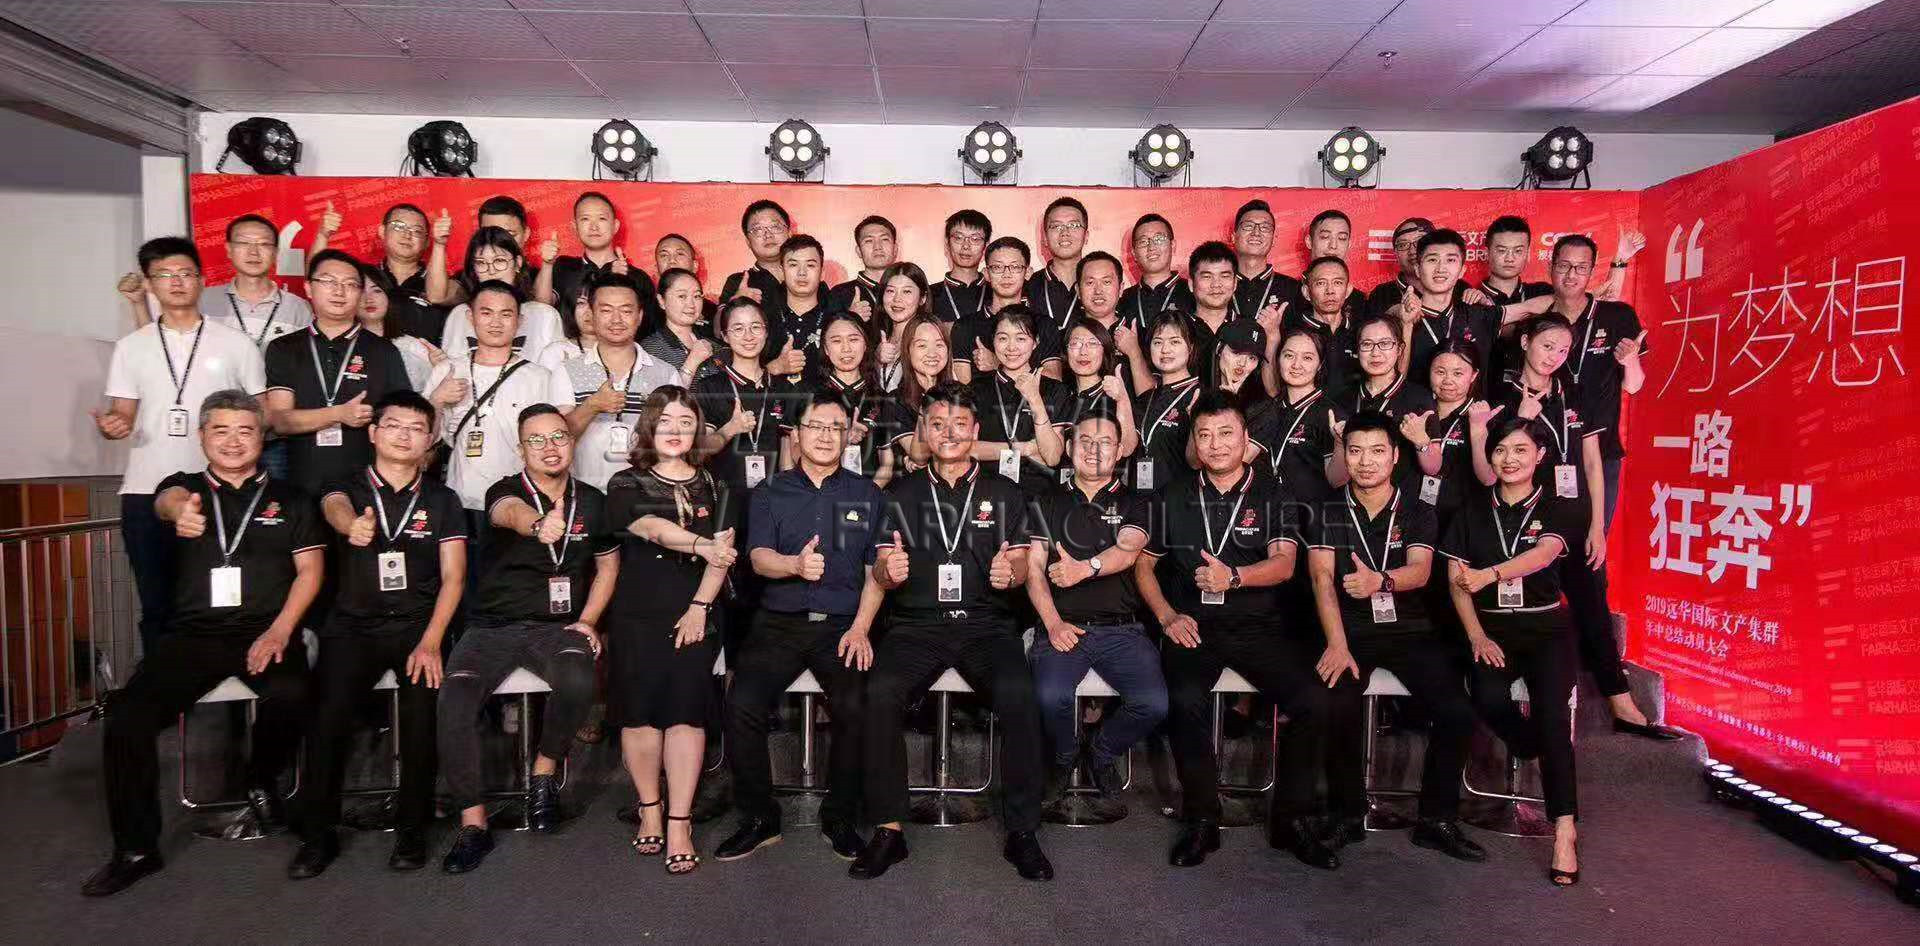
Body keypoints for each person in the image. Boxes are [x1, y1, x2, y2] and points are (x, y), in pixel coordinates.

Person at [82, 390, 323, 897]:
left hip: (267, 631)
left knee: (296, 695)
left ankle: (260, 776)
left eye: (245, 430)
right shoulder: (184, 488)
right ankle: (135, 850)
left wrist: (281, 629)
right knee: (128, 717)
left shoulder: (293, 498)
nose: (233, 441)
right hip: (194, 635)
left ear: (262, 437)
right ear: (202, 436)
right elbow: (165, 502)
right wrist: (179, 514)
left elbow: (309, 571)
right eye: (221, 430)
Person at [854, 382, 1052, 882]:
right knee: (879, 692)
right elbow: (879, 569)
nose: (948, 434)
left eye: (959, 425)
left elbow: (1024, 563)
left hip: (986, 625)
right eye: (937, 424)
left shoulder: (1005, 493)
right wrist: (888, 572)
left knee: (1019, 694)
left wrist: (1013, 572)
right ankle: (889, 830)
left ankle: (1023, 831)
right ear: (923, 430)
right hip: (916, 626)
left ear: (975, 430)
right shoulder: (899, 494)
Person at [1135, 390, 1335, 870]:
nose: (1216, 444)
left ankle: (1291, 820)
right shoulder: (1174, 495)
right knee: (1184, 700)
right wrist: (1166, 616)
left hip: (1257, 624)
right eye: (1204, 435)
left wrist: (1235, 577)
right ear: (1194, 442)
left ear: (1246, 439)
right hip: (1194, 625)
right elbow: (1143, 565)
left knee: (1312, 701)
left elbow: (1285, 564)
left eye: (1226, 433)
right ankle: (1202, 819)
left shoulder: (1273, 493)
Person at [290, 390, 467, 878]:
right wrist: (351, 526)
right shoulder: (345, 486)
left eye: (416, 429)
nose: (404, 436)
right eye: (394, 425)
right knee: (326, 720)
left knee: (421, 722)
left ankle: (412, 830)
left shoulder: (442, 499)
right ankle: (317, 835)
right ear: (372, 432)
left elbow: (454, 578)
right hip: (352, 627)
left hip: (417, 627)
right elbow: (333, 506)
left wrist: (432, 641)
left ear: (429, 440)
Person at [438, 404, 619, 873]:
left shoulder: (594, 501)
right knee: (455, 701)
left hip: (557, 628)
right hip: (492, 627)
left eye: (558, 436)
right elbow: (507, 514)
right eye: (536, 440)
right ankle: (473, 824)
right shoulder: (503, 490)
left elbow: (607, 568)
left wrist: (589, 621)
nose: (549, 447)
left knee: (579, 679)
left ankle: (544, 771)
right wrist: (537, 525)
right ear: (521, 450)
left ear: (572, 442)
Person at [1308, 411, 1484, 862]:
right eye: (1355, 451)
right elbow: (1322, 579)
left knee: (1456, 710)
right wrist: (1337, 643)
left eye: (1376, 451)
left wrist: (1380, 582)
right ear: (1345, 455)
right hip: (1350, 629)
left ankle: (1436, 820)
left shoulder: (1417, 509)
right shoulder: (1327, 510)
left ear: (1394, 457)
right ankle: (1347, 814)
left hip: (1409, 629)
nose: (1365, 461)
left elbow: (1421, 572)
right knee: (1336, 700)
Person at [1486, 313, 1673, 739]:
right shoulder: (1501, 393)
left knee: (1591, 595)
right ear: (1525, 342)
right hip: (1521, 517)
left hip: (1571, 512)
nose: (1553, 356)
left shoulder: (1575, 392)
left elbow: (1591, 461)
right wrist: (1522, 416)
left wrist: (1595, 526)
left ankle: (1620, 700)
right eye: (1546, 346)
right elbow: (1495, 465)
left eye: (1563, 350)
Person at [718, 394, 884, 863]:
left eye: (836, 427)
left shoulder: (867, 494)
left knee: (855, 705)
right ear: (796, 435)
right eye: (816, 426)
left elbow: (875, 570)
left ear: (848, 436)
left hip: (842, 625)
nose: (826, 436)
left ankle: (840, 817)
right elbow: (758, 558)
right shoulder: (769, 492)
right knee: (742, 704)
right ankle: (759, 818)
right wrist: (794, 564)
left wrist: (861, 628)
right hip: (779, 622)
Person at [98, 237, 267, 653]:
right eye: (164, 275)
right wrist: (113, 426)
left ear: (202, 280)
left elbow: (261, 414)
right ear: (149, 284)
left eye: (185, 273)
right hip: (145, 488)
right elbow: (123, 413)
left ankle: (221, 687)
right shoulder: (131, 347)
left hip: (220, 490)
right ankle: (163, 686)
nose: (176, 282)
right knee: (156, 603)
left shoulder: (236, 343)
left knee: (223, 601)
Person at [1441, 416, 1587, 886]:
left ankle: (1564, 830)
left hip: (1546, 628)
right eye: (1501, 450)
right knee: (1486, 698)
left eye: (1521, 450)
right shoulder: (1470, 510)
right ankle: (1533, 748)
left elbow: (1543, 555)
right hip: (1493, 629)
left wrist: (1491, 574)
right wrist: (1476, 636)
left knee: (1551, 716)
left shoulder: (1558, 505)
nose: (1509, 459)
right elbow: (1456, 581)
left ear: (1540, 456)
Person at [603, 387, 735, 876]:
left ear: (698, 429)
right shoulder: (625, 483)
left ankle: (680, 820)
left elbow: (725, 553)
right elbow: (651, 528)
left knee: (686, 712)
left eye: (685, 421)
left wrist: (700, 605)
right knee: (639, 714)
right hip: (638, 612)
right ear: (649, 428)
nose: (675, 430)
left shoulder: (717, 485)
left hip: (697, 609)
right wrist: (701, 545)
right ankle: (649, 808)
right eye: (665, 421)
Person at [1025, 411, 1165, 804]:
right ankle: (1064, 756)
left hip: (1122, 630)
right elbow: (1033, 570)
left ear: (1120, 451)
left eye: (1105, 442)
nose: (1093, 449)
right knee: (1049, 697)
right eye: (1084, 441)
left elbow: (1128, 550)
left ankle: (1101, 752)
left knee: (1153, 704)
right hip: (1063, 627)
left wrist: (1083, 569)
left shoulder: (1139, 501)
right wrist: (1053, 624)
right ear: (1069, 448)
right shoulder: (1046, 501)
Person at [263, 249, 414, 497]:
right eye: (329, 281)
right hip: (299, 485)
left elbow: (403, 418)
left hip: (367, 488)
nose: (339, 291)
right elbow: (280, 421)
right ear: (308, 288)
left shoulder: (384, 351)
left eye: (350, 284)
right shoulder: (284, 348)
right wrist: (338, 414)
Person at [421, 281, 553, 541]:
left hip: (522, 500)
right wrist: (437, 400)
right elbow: (425, 440)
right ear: (470, 317)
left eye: (506, 314)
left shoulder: (540, 377)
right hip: (462, 498)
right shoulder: (447, 371)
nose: (496, 322)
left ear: (519, 321)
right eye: (486, 313)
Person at [1548, 233, 1648, 535]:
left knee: (1594, 544)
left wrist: (1630, 360)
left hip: (1603, 452)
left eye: (1581, 268)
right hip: (1549, 452)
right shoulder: (1540, 319)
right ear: (1551, 267)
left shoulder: (1617, 316)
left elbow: (1634, 386)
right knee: (1547, 543)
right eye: (1564, 266)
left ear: (1591, 271)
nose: (1571, 275)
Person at [549, 273, 681, 491]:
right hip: (584, 493)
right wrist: (592, 406)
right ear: (592, 314)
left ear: (639, 316)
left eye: (626, 311)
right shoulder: (567, 371)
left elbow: (679, 440)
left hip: (647, 494)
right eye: (606, 310)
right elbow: (556, 439)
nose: (616, 320)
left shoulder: (666, 374)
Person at [691, 298, 795, 493]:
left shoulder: (782, 388)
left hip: (772, 499)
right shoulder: (711, 387)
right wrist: (730, 429)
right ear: (725, 336)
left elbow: (786, 454)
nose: (748, 336)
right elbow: (700, 449)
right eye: (738, 329)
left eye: (755, 327)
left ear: (766, 332)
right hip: (725, 498)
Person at [967, 305, 1069, 494]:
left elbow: (1052, 456)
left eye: (1021, 338)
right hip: (988, 494)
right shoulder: (976, 389)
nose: (1011, 347)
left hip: (1039, 495)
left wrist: (1035, 399)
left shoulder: (1055, 389)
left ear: (1035, 342)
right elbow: (965, 449)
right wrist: (1026, 449)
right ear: (993, 341)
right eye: (1003, 338)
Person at [313, 202, 441, 340]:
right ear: (382, 231)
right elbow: (317, 279)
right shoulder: (362, 276)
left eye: (416, 231)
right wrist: (323, 235)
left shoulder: (440, 284)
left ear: (427, 241)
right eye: (398, 226)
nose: (407, 235)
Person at [1248, 328, 1346, 506]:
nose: (1296, 365)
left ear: (1320, 365)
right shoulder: (1263, 409)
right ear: (1278, 359)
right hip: (1264, 511)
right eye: (1289, 355)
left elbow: (1337, 481)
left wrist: (1340, 444)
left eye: (1307, 358)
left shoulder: (1331, 414)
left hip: (1310, 514)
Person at [440, 227, 564, 362]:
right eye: (481, 263)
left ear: (518, 263)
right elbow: (452, 366)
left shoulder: (544, 315)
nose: (491, 270)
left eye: (499, 261)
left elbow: (556, 368)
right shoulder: (460, 315)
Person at [1396, 228, 1500, 386]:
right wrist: (1406, 324)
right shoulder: (1399, 320)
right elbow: (1392, 382)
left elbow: (1528, 309)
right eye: (1432, 260)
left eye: (1450, 260)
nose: (1440, 268)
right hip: (1415, 402)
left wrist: (1487, 303)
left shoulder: (1478, 315)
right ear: (1417, 269)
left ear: (1462, 270)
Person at [795, 310, 888, 483]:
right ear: (826, 349)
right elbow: (794, 453)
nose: (846, 349)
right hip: (817, 491)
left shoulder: (881, 398)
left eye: (853, 339)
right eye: (836, 341)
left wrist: (868, 494)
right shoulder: (807, 393)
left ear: (866, 344)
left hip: (870, 492)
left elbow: (888, 465)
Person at [535, 191, 655, 317]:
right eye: (585, 219)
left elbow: (647, 325)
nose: (594, 227)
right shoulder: (564, 267)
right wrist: (547, 264)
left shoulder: (638, 278)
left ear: (615, 226)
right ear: (575, 227)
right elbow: (541, 308)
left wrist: (619, 282)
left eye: (602, 218)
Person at [201, 214, 312, 347]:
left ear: (275, 252)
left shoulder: (298, 308)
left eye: (263, 244)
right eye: (244, 243)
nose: (253, 252)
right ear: (229, 249)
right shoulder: (203, 301)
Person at [1477, 216, 1558, 385]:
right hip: (1482, 393)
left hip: (1534, 392)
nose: (1510, 258)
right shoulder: (1471, 297)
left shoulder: (1543, 292)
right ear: (1487, 253)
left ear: (1527, 254)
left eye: (1518, 251)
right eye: (1502, 250)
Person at [1056, 318, 1138, 486]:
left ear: (1105, 351)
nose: (1083, 352)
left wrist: (1122, 399)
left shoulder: (1115, 395)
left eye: (1092, 344)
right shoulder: (1059, 395)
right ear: (1066, 352)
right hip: (1063, 490)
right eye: (1075, 344)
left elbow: (1127, 447)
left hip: (1105, 490)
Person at [1128, 313, 1202, 491]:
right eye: (1157, 342)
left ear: (1190, 347)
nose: (1165, 350)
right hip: (1139, 499)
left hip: (1179, 500)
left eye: (1175, 342)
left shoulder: (1199, 395)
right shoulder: (1147, 396)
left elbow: (1197, 462)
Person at [426, 195, 537, 308]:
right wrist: (439, 244)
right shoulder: (472, 277)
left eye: (508, 234)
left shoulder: (539, 279)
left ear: (526, 234)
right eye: (489, 233)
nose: (497, 241)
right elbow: (437, 297)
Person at [877, 313, 953, 476]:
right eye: (922, 345)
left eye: (939, 345)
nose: (932, 353)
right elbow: (919, 457)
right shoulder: (894, 401)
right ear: (908, 351)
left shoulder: (959, 395)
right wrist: (929, 403)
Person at [953, 235, 1032, 385]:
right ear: (986, 274)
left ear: (1028, 272)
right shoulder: (965, 326)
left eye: (1015, 267)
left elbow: (1052, 382)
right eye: (997, 267)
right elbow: (964, 390)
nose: (1006, 274)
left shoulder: (1043, 323)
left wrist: (998, 363)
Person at [1283, 255, 1361, 395]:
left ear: (1348, 290)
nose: (1330, 291)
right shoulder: (1292, 332)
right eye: (1321, 283)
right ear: (1306, 292)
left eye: (1337, 283)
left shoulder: (1361, 332)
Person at [1076, 251, 1152, 393]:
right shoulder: (1068, 337)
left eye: (1106, 282)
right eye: (1090, 283)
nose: (1098, 291)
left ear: (1121, 288)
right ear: (1078, 290)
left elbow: (1152, 397)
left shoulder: (1142, 335)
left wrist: (1134, 353)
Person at [359, 263, 438, 391]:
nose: (369, 299)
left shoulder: (413, 347)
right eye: (361, 291)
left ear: (389, 297)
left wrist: (439, 369)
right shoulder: (343, 346)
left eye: (377, 290)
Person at [1028, 197, 1087, 364]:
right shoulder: (1028, 285)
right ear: (1044, 239)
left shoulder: (1100, 284)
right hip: (1039, 376)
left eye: (1074, 225)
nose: (1065, 232)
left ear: (1086, 236)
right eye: (1056, 226)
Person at [640, 268, 719, 384]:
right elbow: (659, 395)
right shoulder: (650, 349)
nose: (691, 304)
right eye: (682, 296)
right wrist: (692, 363)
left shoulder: (714, 346)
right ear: (661, 301)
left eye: (697, 296)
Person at [767, 234, 828, 382]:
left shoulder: (834, 316)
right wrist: (774, 368)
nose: (802, 273)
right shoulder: (763, 317)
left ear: (822, 272)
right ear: (782, 270)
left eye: (810, 265)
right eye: (793, 265)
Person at [1229, 199, 1300, 325]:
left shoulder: (1294, 289)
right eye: (1248, 226)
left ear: (1273, 240)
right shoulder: (1217, 285)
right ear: (1233, 237)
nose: (1256, 233)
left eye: (1265, 228)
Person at [719, 199, 791, 320]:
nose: (768, 235)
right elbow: (717, 327)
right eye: (758, 229)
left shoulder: (806, 272)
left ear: (789, 233)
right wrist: (734, 303)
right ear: (748, 242)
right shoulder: (738, 281)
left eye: (775, 226)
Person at [1116, 213, 1192, 326]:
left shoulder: (1193, 293)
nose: (1151, 247)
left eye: (1159, 239)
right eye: (1143, 242)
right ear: (1134, 253)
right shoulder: (1123, 299)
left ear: (1173, 246)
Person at [1185, 241, 1241, 388]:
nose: (1216, 284)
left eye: (1225, 276)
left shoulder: (1248, 329)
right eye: (1207, 276)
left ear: (1235, 283)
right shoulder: (1179, 329)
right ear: (1191, 284)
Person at [828, 214, 897, 320]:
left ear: (895, 249)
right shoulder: (840, 294)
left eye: (884, 239)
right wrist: (850, 318)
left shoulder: (911, 290)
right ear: (859, 251)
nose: (877, 247)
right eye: (869, 241)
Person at [1300, 209, 1368, 313]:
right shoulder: (1290, 292)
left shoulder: (1359, 301)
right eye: (1325, 237)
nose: (1333, 245)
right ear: (1309, 241)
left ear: (1349, 244)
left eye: (1342, 238)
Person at [874, 261, 929, 391]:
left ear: (922, 298)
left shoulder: (928, 339)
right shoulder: (874, 338)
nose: (897, 299)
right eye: (890, 291)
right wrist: (876, 360)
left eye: (906, 291)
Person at [931, 209, 992, 326]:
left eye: (975, 239)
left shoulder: (996, 293)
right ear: (947, 244)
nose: (966, 246)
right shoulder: (929, 294)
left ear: (986, 247)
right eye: (958, 238)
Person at [1211, 319, 1272, 413]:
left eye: (1252, 358)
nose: (1242, 363)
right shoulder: (1196, 392)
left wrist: (1232, 402)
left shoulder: (1262, 407)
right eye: (1237, 353)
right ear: (1219, 348)